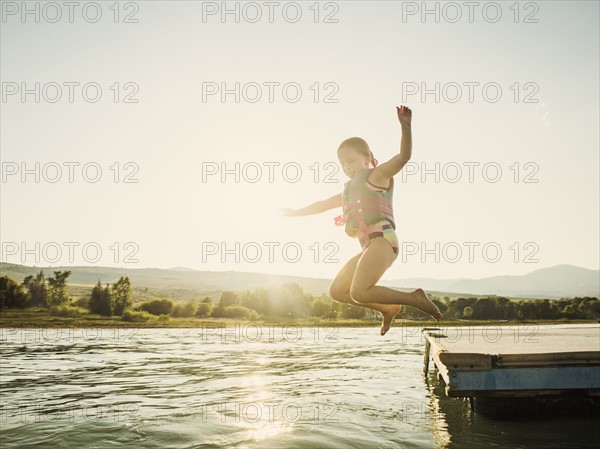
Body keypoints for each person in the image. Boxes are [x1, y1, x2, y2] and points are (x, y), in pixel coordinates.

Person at [281, 106, 443, 335]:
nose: (347, 167)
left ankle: (414, 298)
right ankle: (387, 308)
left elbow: (403, 157)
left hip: (384, 241)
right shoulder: (349, 192)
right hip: (369, 247)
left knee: (359, 292)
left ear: (368, 159)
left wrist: (405, 127)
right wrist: (296, 212)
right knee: (337, 292)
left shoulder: (377, 176)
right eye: (342, 164)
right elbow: (323, 203)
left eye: (351, 160)